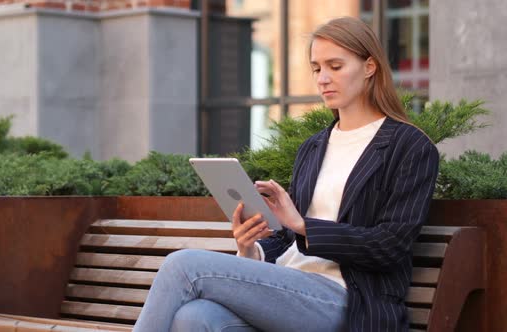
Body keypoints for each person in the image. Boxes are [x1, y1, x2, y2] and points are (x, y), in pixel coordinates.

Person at [133, 16, 439, 332]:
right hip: (289, 290)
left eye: (335, 66)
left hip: (349, 301)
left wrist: (304, 225)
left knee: (182, 265)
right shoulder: (313, 147)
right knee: (195, 317)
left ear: (369, 67)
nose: (323, 78)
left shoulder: (409, 146)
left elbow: (389, 245)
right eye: (317, 68)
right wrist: (252, 249)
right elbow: (288, 239)